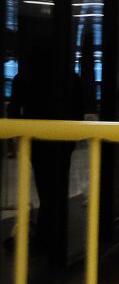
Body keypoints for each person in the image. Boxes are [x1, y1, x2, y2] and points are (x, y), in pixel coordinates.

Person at [9, 38, 85, 266]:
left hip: (36, 142)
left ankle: (45, 236)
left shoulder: (24, 78)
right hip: (62, 142)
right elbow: (79, 111)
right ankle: (54, 236)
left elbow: (14, 111)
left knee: (44, 187)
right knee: (58, 187)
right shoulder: (71, 78)